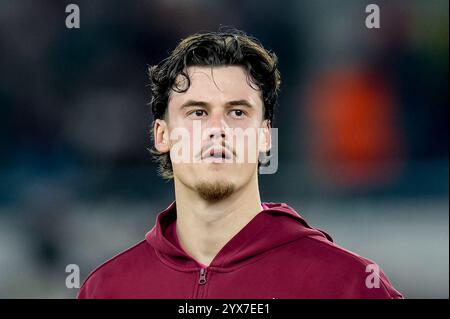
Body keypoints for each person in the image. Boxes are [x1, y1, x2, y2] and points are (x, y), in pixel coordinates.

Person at [78, 30, 403, 299]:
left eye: (237, 112)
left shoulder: (348, 286)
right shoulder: (106, 290)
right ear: (162, 135)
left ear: (265, 137)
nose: (218, 129)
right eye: (197, 112)